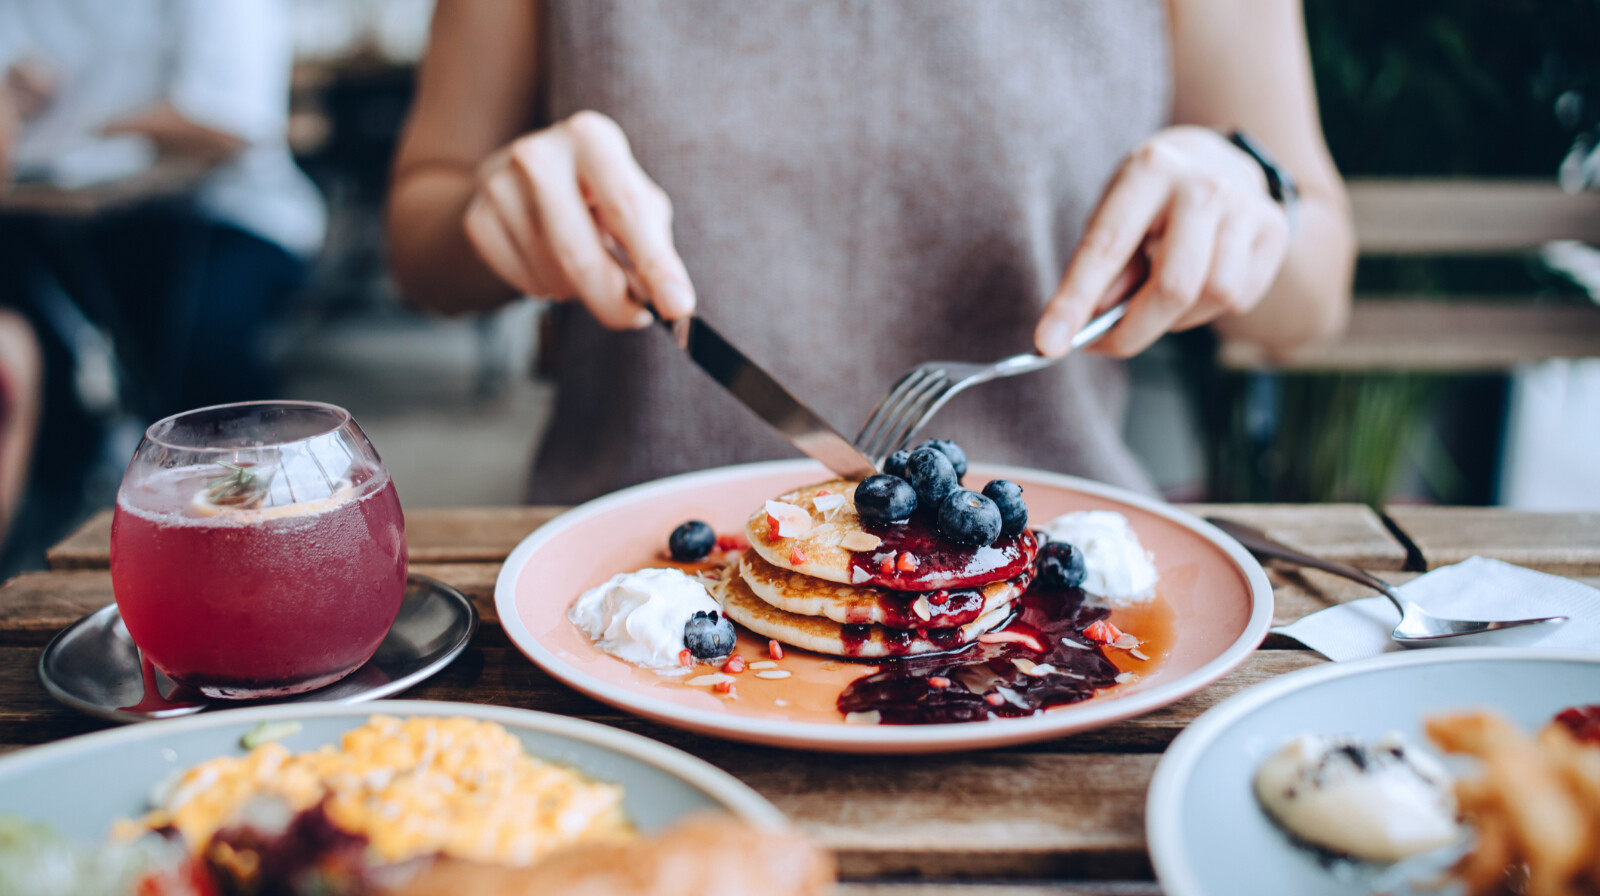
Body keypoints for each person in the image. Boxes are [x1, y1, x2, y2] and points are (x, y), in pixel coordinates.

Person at [388, 0, 1355, 503]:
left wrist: (1247, 201)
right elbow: (420, 245)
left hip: (1054, 616)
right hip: (622, 590)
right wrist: (495, 212)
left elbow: (1315, 296)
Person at [0, 0, 326, 417]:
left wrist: (80, 128)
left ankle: (225, 453)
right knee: (33, 315)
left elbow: (228, 124)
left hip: (233, 216)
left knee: (203, 348)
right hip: (84, 222)